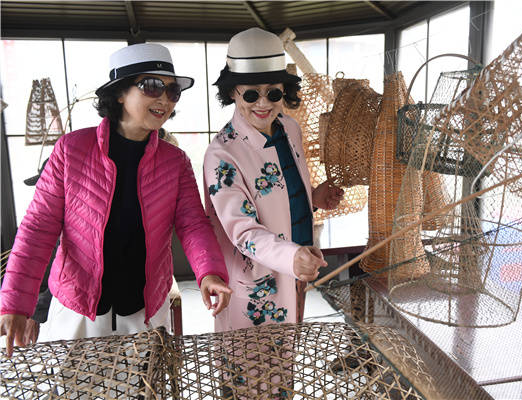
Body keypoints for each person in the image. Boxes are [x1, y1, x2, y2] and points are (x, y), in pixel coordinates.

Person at [0, 43, 231, 357]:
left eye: (173, 90)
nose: (164, 99)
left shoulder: (175, 161)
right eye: (152, 86)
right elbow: (38, 228)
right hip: (78, 311)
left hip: (145, 310)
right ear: (120, 92)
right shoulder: (70, 150)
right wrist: (15, 304)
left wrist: (209, 272)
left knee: (144, 383)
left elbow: (193, 224)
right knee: (75, 383)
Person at [204, 27, 344, 334]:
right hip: (255, 286)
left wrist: (313, 198)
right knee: (251, 362)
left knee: (288, 356)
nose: (263, 103)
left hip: (298, 271)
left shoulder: (290, 128)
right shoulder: (221, 154)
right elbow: (242, 231)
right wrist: (291, 257)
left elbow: (281, 192)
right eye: (251, 94)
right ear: (232, 92)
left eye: (274, 93)